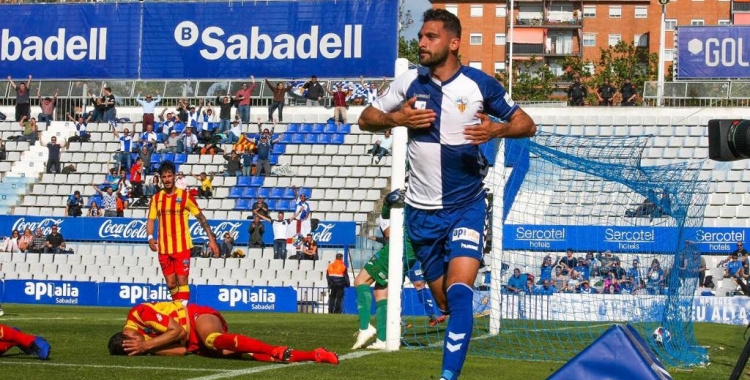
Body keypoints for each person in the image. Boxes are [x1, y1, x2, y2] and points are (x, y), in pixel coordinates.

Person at [357, 9, 536, 379]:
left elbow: (526, 123)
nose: (421, 43)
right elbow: (365, 118)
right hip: (421, 216)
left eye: (431, 37)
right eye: (421, 36)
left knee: (458, 293)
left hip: (466, 206)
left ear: (454, 43)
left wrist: (495, 131)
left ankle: (447, 377)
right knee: (442, 302)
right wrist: (395, 119)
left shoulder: (479, 85)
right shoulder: (408, 82)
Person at [107, 300, 338, 364]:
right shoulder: (144, 345)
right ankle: (312, 354)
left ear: (128, 334)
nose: (142, 343)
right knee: (236, 354)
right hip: (193, 344)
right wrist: (148, 350)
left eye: (136, 343)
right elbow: (180, 351)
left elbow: (176, 331)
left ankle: (277, 351)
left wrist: (147, 346)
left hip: (196, 317)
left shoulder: (138, 314)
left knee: (211, 338)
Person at [352, 190, 442, 351]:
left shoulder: (410, 205)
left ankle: (365, 328)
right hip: (410, 254)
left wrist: (387, 204)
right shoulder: (429, 209)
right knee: (381, 292)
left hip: (397, 249)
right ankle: (382, 339)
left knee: (360, 280)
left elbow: (389, 230)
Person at [146, 161, 220, 304]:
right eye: (164, 177)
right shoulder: (156, 198)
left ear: (175, 177)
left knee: (182, 281)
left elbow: (201, 218)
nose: (167, 179)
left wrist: (211, 239)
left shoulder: (185, 196)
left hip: (182, 246)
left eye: (169, 176)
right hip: (164, 248)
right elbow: (151, 220)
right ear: (161, 178)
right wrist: (150, 237)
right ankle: (178, 308)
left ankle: (181, 314)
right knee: (171, 284)